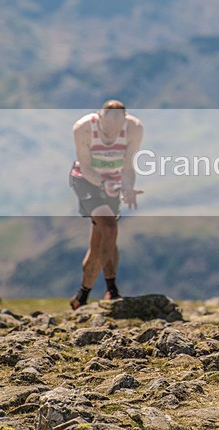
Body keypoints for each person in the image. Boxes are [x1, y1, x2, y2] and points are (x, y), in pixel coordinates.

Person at [68, 100, 144, 310]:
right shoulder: (83, 128)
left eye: (117, 129)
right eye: (107, 129)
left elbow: (128, 166)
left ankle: (82, 295)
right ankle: (112, 289)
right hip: (86, 181)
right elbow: (85, 166)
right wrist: (103, 184)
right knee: (110, 228)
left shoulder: (134, 128)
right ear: (100, 118)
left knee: (100, 240)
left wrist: (128, 188)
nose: (112, 134)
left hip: (113, 180)